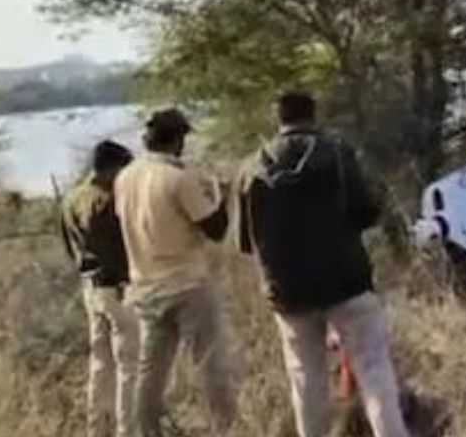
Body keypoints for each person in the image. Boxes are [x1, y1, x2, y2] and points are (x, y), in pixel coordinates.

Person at [238, 92, 409, 437]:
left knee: (305, 380)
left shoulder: (251, 166)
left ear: (279, 119)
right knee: (374, 371)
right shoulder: (337, 152)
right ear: (313, 116)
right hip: (347, 282)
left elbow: (246, 242)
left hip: (287, 292)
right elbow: (365, 212)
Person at [114, 107, 238, 437]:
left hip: (144, 285)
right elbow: (215, 229)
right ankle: (225, 427)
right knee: (209, 362)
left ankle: (147, 430)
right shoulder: (179, 178)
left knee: (150, 369)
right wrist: (223, 196)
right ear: (177, 140)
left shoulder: (125, 177)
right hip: (187, 284)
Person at [61, 140, 140, 437]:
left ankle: (97, 428)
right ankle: (127, 430)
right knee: (129, 364)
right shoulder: (106, 201)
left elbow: (70, 247)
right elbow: (117, 251)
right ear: (112, 168)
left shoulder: (71, 199)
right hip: (116, 288)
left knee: (100, 364)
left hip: (90, 289)